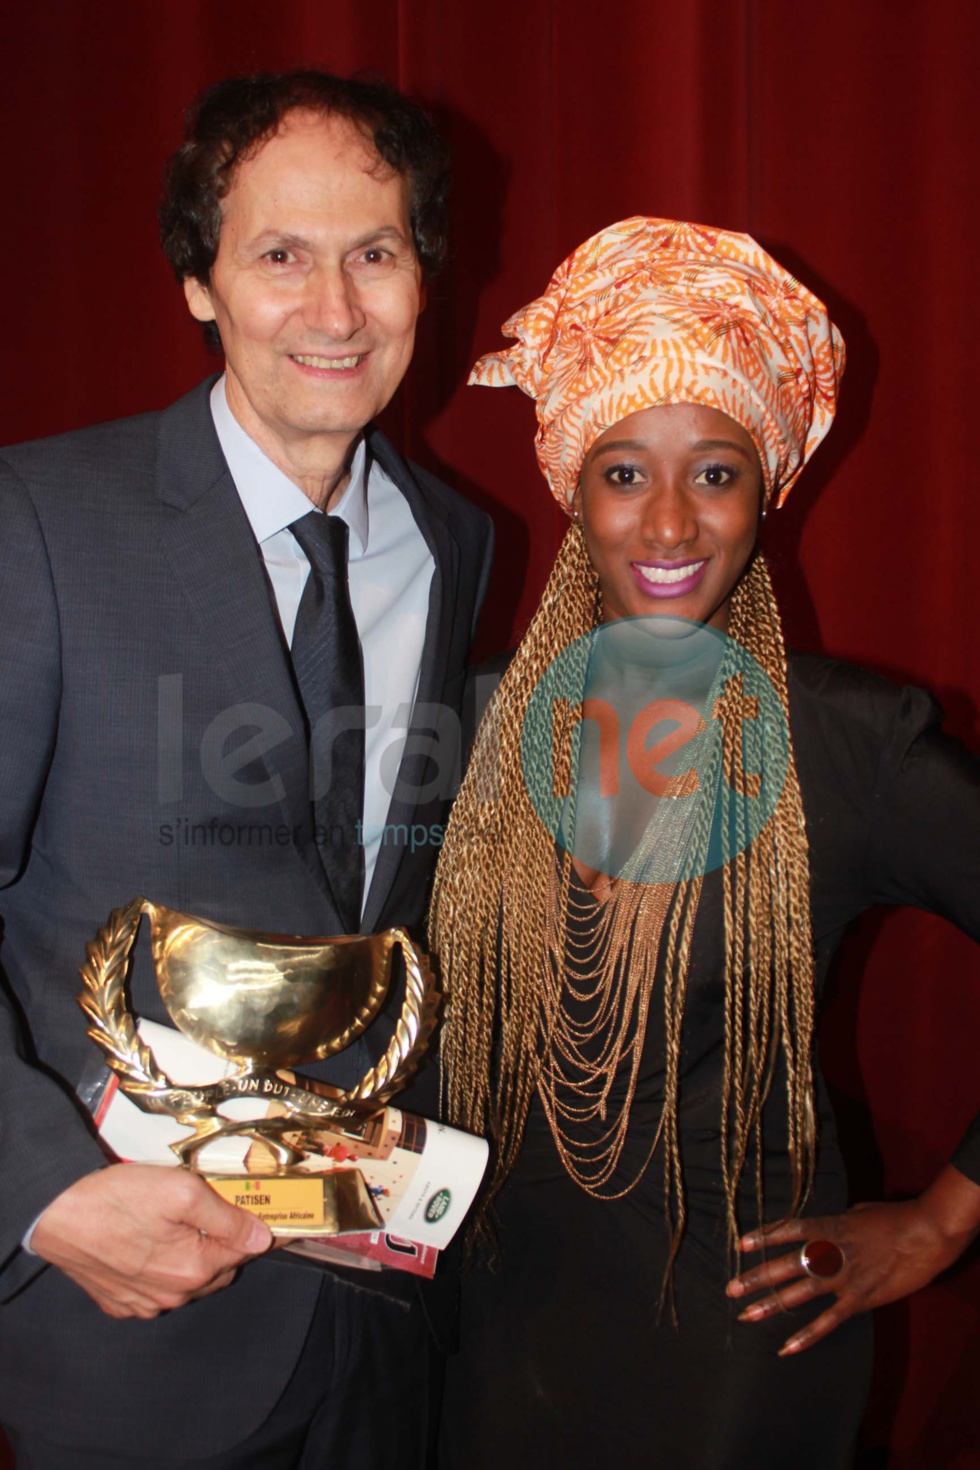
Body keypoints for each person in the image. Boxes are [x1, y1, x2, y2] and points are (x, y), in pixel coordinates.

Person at [429, 217, 980, 1468]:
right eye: (623, 472)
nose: (668, 524)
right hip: (483, 1332)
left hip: (733, 1355)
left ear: (766, 485)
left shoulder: (847, 744)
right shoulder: (462, 724)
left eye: (714, 472)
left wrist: (941, 1224)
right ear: (571, 486)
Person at [0, 70, 492, 1469]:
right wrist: (37, 1196)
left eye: (375, 254)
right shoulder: (35, 522)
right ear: (199, 284)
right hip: (133, 1329)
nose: (333, 310)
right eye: (280, 255)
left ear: (422, 277)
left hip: (388, 1319)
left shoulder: (457, 544)